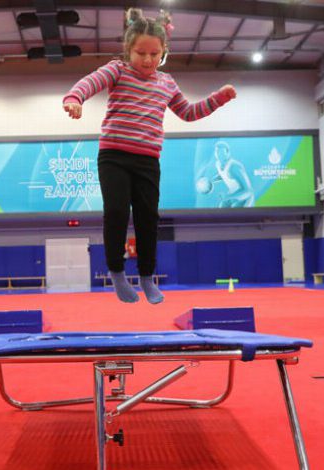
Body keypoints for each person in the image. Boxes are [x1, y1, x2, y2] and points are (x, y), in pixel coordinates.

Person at [63, 8, 236, 304]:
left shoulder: (167, 83)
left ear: (163, 52)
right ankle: (117, 272)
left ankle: (146, 277)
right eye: (140, 53)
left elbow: (188, 112)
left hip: (147, 161)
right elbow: (89, 82)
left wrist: (217, 99)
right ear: (128, 50)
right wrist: (74, 99)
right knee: (117, 212)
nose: (147, 59)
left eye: (154, 54)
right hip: (114, 156)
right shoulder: (117, 70)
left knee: (148, 219)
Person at [210, 140, 255, 208]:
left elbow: (248, 191)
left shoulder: (234, 166)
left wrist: (227, 196)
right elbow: (224, 175)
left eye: (222, 153)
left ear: (228, 153)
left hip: (245, 197)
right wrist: (211, 180)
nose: (219, 155)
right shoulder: (218, 164)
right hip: (233, 194)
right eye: (217, 152)